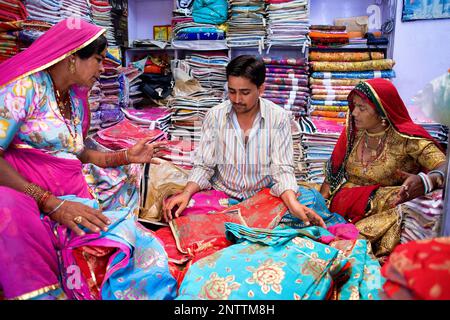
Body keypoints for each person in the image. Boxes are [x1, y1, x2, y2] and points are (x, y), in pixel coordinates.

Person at [0, 19, 176, 300]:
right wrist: (50, 203)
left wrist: (127, 155)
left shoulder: (74, 101)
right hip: (34, 196)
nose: (102, 69)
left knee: (140, 245)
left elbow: (79, 154)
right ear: (72, 57)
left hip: (71, 193)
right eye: (97, 59)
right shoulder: (25, 89)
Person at [163, 55, 326, 228]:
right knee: (181, 207)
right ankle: (251, 221)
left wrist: (292, 205)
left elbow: (282, 169)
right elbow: (204, 165)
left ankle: (239, 221)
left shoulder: (278, 118)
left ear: (261, 89)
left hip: (262, 197)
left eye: (245, 92)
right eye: (232, 91)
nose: (237, 99)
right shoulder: (215, 116)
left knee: (312, 202)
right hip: (223, 196)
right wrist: (187, 193)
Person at [320, 78, 447, 259]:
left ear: (382, 112)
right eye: (354, 106)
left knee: (414, 205)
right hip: (345, 203)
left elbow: (444, 165)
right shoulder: (353, 132)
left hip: (382, 210)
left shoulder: (406, 138)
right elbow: (331, 176)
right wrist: (321, 209)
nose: (354, 113)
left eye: (362, 108)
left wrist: (426, 180)